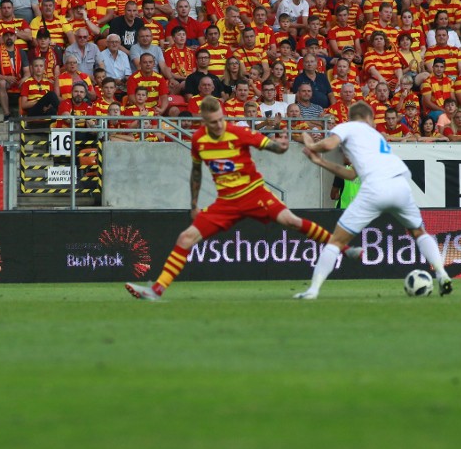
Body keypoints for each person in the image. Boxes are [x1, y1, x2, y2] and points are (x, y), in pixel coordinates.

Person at [124, 95, 358, 301]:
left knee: (292, 222)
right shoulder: (199, 141)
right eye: (213, 122)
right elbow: (196, 172)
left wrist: (283, 146)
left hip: (255, 194)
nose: (218, 125)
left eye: (220, 120)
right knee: (186, 238)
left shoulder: (238, 132)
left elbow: (271, 146)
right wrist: (194, 204)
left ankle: (343, 248)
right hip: (225, 203)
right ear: (204, 121)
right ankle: (156, 290)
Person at [293, 101, 452, 299]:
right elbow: (351, 175)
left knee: (336, 241)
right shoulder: (376, 137)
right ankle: (442, 274)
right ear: (369, 118)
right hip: (401, 185)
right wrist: (320, 162)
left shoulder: (348, 126)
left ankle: (313, 291)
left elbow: (328, 144)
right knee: (419, 232)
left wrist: (311, 145)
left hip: (376, 188)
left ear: (352, 118)